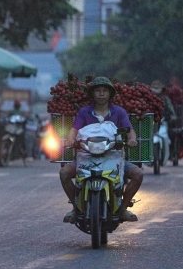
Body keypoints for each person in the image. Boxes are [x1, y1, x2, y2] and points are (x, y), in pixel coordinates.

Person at [60, 76, 143, 223]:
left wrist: (132, 139)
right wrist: (70, 139)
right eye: (98, 91)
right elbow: (74, 129)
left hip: (113, 156)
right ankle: (75, 207)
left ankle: (122, 208)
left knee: (138, 174)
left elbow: (130, 130)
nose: (101, 94)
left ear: (110, 94)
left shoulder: (119, 112)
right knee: (64, 173)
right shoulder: (84, 112)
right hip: (86, 156)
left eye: (105, 91)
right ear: (92, 94)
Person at [150, 80, 183, 154]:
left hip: (163, 121)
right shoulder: (148, 98)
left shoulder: (165, 99)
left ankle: (179, 149)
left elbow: (171, 110)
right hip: (151, 121)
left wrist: (171, 116)